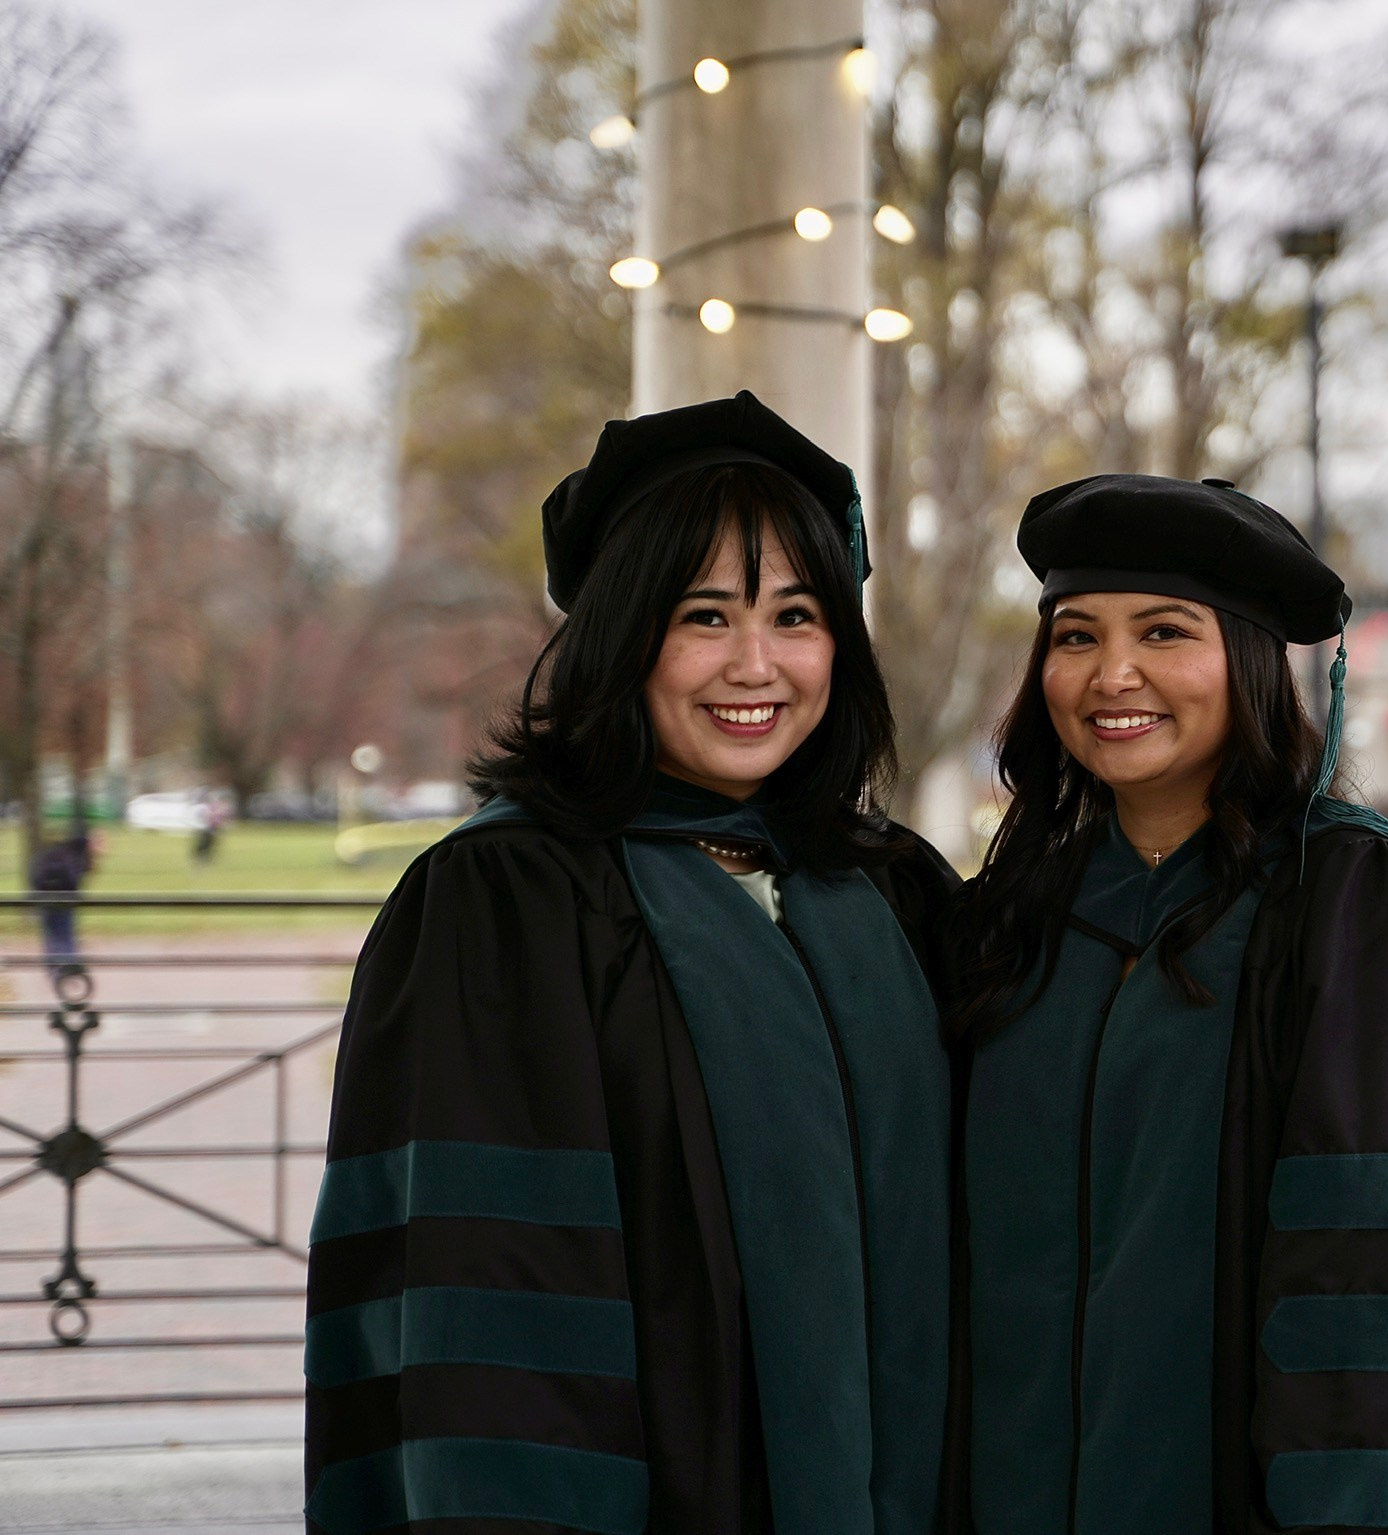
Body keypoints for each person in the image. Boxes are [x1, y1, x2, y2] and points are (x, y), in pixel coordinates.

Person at [303, 393, 959, 1535]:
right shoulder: (507, 901)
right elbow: (487, 1300)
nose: (756, 664)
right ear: (621, 636)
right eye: (703, 616)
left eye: (796, 616)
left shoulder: (893, 888)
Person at [954, 474, 1388, 1533]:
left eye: (1163, 631)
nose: (1111, 674)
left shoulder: (1362, 911)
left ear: (1245, 658)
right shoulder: (1010, 921)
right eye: (1073, 636)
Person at [29, 821, 95, 978]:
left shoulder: (59, 851)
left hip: (44, 896)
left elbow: (37, 874)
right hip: (62, 899)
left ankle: (53, 967)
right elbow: (73, 879)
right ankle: (69, 965)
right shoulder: (77, 855)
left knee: (51, 933)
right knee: (65, 932)